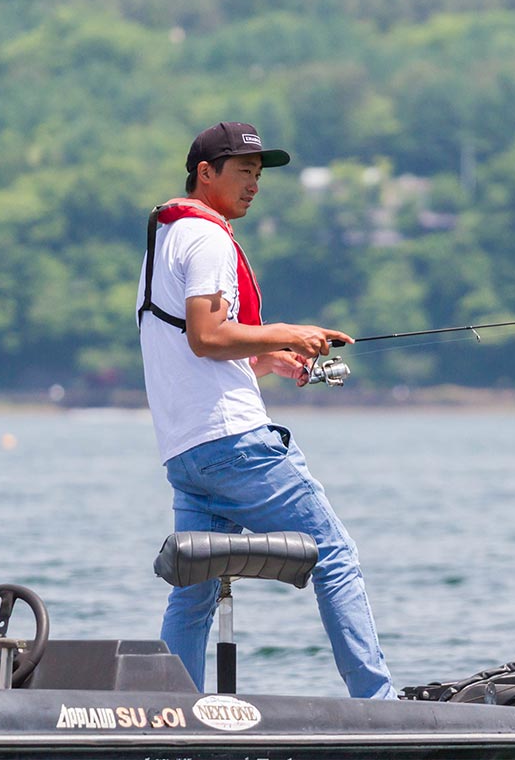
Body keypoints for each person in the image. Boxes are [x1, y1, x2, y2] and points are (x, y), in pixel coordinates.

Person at [135, 121, 396, 699]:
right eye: (243, 172)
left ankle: (171, 711)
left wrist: (270, 359)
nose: (254, 184)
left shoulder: (167, 241)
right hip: (234, 446)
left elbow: (196, 351)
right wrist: (289, 332)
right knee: (334, 558)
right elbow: (207, 336)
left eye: (258, 174)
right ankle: (378, 705)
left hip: (187, 453)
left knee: (194, 591)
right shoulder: (206, 240)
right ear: (206, 173)